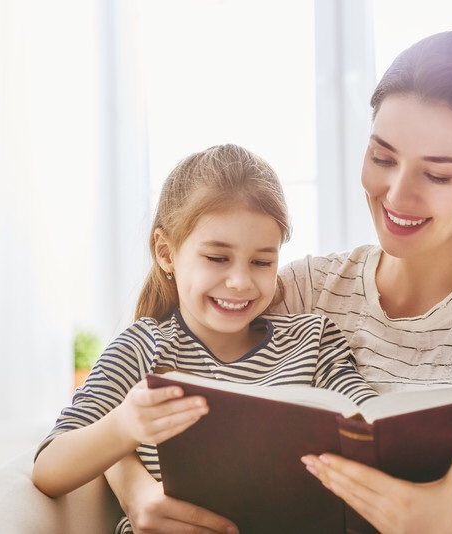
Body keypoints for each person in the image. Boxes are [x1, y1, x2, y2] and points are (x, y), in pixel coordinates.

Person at [103, 30, 452, 533]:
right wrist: (136, 489)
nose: (396, 194)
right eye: (382, 157)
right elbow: (138, 390)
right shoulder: (302, 291)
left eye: (437, 175)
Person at [31, 144, 379, 531]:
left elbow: (374, 427)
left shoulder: (313, 342)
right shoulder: (141, 349)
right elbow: (48, 469)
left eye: (262, 262)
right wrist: (125, 426)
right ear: (166, 253)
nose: (241, 282)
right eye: (217, 258)